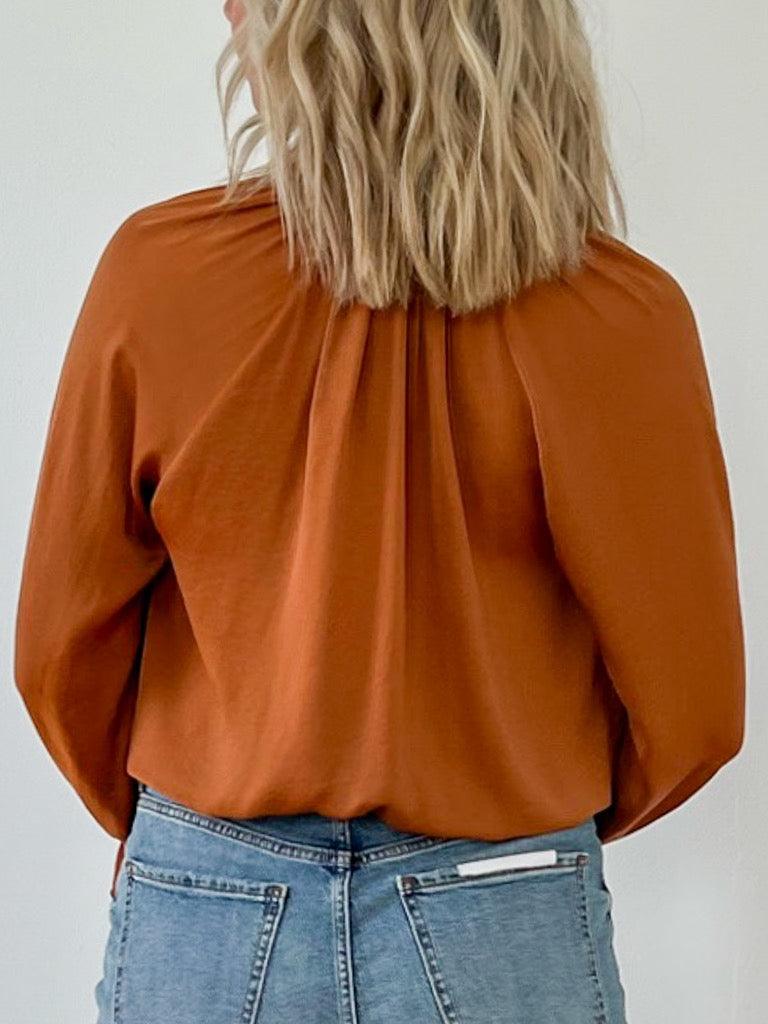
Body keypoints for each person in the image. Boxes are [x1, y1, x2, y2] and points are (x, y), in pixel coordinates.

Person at [13, 2, 746, 1022]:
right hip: (503, 896)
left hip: (209, 894)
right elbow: (696, 710)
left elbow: (59, 649)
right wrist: (523, 810)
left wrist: (193, 822)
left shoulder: (161, 273)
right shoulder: (624, 315)